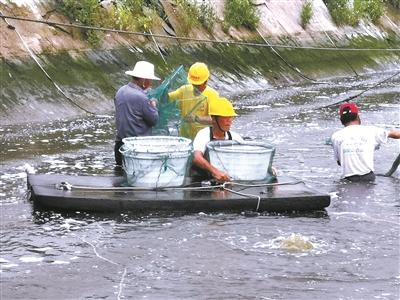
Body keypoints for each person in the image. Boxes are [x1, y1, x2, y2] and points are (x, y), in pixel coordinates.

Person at [331, 102, 400, 182]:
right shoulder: (371, 130)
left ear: (341, 120)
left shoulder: (335, 136)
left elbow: (339, 162)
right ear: (357, 116)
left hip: (348, 180)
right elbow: (396, 135)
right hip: (368, 178)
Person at [114, 61, 160, 166]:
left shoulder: (120, 91)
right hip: (138, 148)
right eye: (150, 80)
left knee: (120, 177)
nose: (151, 83)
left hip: (120, 145)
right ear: (144, 80)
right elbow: (154, 120)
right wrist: (153, 104)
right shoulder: (142, 98)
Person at [192, 96, 243, 182]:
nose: (229, 121)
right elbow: (196, 158)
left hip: (226, 178)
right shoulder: (203, 134)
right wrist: (215, 171)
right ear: (214, 119)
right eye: (225, 117)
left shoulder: (236, 137)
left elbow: (247, 157)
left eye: (230, 117)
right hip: (204, 180)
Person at [168, 62, 219, 139]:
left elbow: (216, 120)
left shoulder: (213, 95)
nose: (196, 87)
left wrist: (196, 118)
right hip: (185, 138)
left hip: (204, 139)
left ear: (206, 81)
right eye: (194, 84)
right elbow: (167, 98)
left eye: (199, 85)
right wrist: (155, 99)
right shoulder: (184, 90)